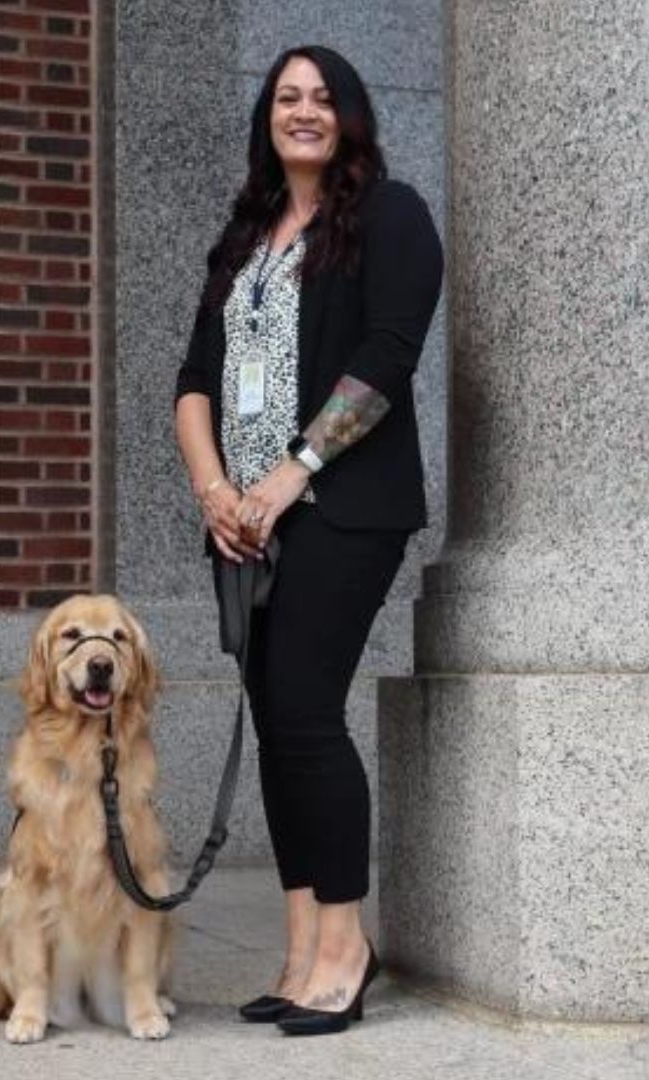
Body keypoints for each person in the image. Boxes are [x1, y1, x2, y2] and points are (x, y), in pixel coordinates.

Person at [172, 45, 443, 1037]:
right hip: (240, 526)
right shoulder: (244, 238)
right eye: (287, 97)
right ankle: (299, 951)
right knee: (278, 726)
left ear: (351, 114)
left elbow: (385, 360)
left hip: (340, 510)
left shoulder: (389, 216)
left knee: (306, 713)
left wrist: (289, 476)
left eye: (323, 97)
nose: (304, 111)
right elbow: (194, 383)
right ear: (267, 118)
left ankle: (345, 947)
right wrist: (216, 490)